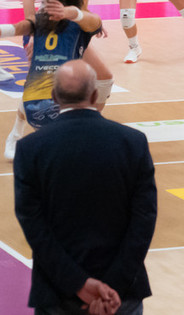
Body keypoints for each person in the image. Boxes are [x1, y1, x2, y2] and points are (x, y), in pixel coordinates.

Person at [13, 59, 157, 315]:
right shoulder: (133, 143)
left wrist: (77, 283)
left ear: (54, 96)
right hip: (121, 296)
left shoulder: (30, 149)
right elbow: (144, 220)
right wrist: (113, 286)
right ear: (94, 95)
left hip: (58, 294)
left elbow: (34, 226)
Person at [2, 0, 103, 157]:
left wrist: (4, 30)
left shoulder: (42, 19)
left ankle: (21, 140)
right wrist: (69, 12)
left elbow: (18, 27)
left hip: (31, 108)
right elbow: (93, 20)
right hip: (61, 109)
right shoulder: (84, 23)